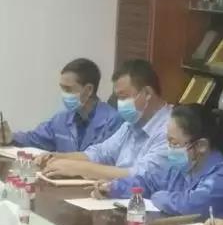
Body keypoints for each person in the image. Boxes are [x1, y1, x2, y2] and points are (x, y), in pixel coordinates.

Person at [93, 103, 223, 219]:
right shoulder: (182, 167)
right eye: (168, 142)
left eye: (174, 143)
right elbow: (148, 182)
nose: (169, 149)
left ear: (201, 146)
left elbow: (191, 206)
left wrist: (159, 196)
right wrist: (114, 187)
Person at [40, 58, 171, 181]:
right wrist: (58, 157)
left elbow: (142, 176)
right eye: (118, 98)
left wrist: (78, 168)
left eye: (124, 97)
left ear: (147, 93)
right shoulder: (131, 124)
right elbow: (101, 153)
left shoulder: (171, 129)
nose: (120, 104)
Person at [0, 58, 121, 152]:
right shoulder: (61, 119)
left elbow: (102, 159)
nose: (64, 94)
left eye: (68, 89)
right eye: (62, 88)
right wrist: (11, 137)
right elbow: (34, 138)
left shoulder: (113, 121)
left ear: (88, 90)